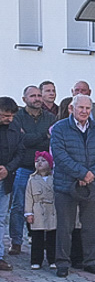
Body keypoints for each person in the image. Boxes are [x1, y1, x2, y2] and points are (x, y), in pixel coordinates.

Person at [49, 95, 95, 277]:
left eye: (87, 108)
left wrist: (91, 175)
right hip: (66, 185)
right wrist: (82, 173)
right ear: (71, 109)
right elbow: (59, 155)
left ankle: (90, 261)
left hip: (91, 185)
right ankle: (62, 263)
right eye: (80, 107)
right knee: (65, 227)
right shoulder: (59, 128)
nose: (84, 111)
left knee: (90, 227)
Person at [8, 85, 55, 256]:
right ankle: (16, 242)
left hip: (45, 171)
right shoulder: (18, 117)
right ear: (24, 99)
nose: (37, 98)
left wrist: (33, 138)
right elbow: (22, 140)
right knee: (19, 206)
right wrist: (43, 136)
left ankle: (42, 241)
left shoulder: (50, 117)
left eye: (39, 95)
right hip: (23, 167)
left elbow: (51, 140)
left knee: (45, 205)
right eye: (33, 96)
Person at [0, 97, 25, 271]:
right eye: (5, 116)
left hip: (5, 179)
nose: (9, 119)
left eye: (11, 116)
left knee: (1, 219)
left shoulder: (15, 128)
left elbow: (20, 152)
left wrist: (8, 169)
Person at [25, 151, 57, 270]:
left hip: (52, 210)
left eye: (43, 161)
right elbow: (28, 196)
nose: (39, 163)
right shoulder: (32, 179)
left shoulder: (55, 178)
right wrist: (29, 212)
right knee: (37, 237)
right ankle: (36, 260)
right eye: (37, 161)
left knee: (52, 236)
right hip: (38, 209)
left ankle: (52, 259)